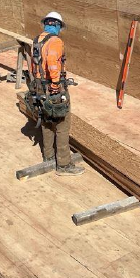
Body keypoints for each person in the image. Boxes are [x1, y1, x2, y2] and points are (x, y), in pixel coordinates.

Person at [30, 11, 84, 176]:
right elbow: (53, 62)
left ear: (46, 24)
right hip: (53, 89)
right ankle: (64, 165)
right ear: (58, 25)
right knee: (61, 124)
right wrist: (55, 83)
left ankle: (48, 157)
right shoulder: (55, 42)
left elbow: (35, 66)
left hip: (40, 87)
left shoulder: (37, 40)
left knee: (47, 121)